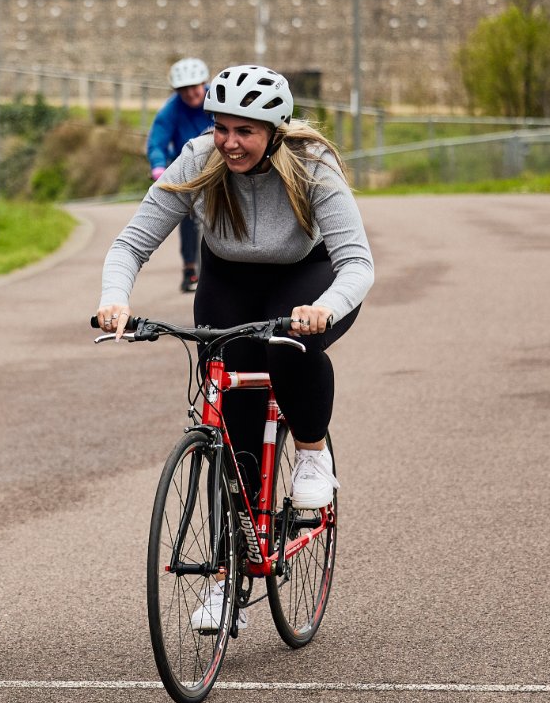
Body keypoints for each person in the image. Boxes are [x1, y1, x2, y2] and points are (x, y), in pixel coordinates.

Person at [97, 64, 374, 631]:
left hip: (306, 277)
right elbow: (132, 243)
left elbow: (357, 263)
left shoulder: (312, 164)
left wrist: (324, 308)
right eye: (221, 127)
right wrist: (115, 299)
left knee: (288, 349)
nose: (229, 142)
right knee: (234, 431)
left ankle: (312, 452)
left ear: (275, 131)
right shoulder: (199, 158)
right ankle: (228, 578)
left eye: (244, 131)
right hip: (229, 280)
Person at [146, 57, 213, 293]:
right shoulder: (171, 110)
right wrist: (158, 167)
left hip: (219, 165)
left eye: (194, 87)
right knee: (186, 215)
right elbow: (157, 142)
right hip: (186, 169)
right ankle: (190, 268)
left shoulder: (218, 99)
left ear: (204, 83)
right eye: (183, 89)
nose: (190, 93)